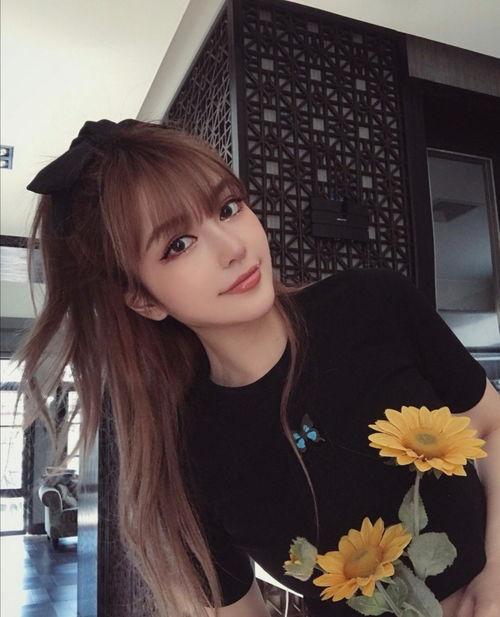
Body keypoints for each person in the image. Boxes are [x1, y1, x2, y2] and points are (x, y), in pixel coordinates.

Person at [14, 118, 498, 617]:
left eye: (228, 208)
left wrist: (497, 574)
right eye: (178, 244)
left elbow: (492, 424)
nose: (234, 248)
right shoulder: (188, 450)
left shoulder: (373, 304)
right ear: (143, 299)